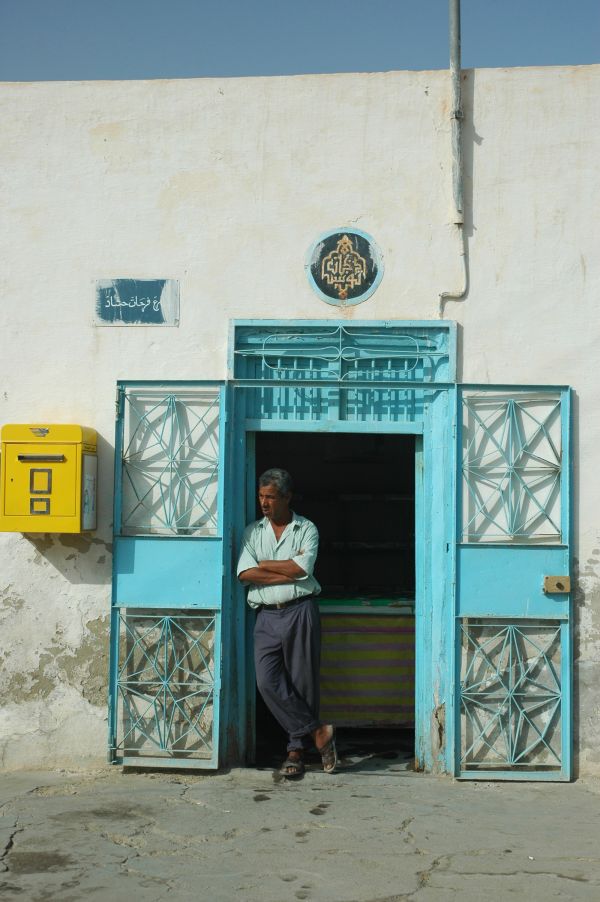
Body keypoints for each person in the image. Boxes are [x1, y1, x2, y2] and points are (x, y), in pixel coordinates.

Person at [237, 468, 337, 777]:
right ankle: (319, 731)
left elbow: (302, 570)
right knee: (267, 682)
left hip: (299, 610)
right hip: (266, 615)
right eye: (261, 496)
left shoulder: (305, 529)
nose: (264, 503)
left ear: (287, 497)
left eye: (270, 497)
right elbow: (245, 574)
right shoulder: (253, 532)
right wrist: (287, 570)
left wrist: (265, 565)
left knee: (302, 682)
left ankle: (296, 751)